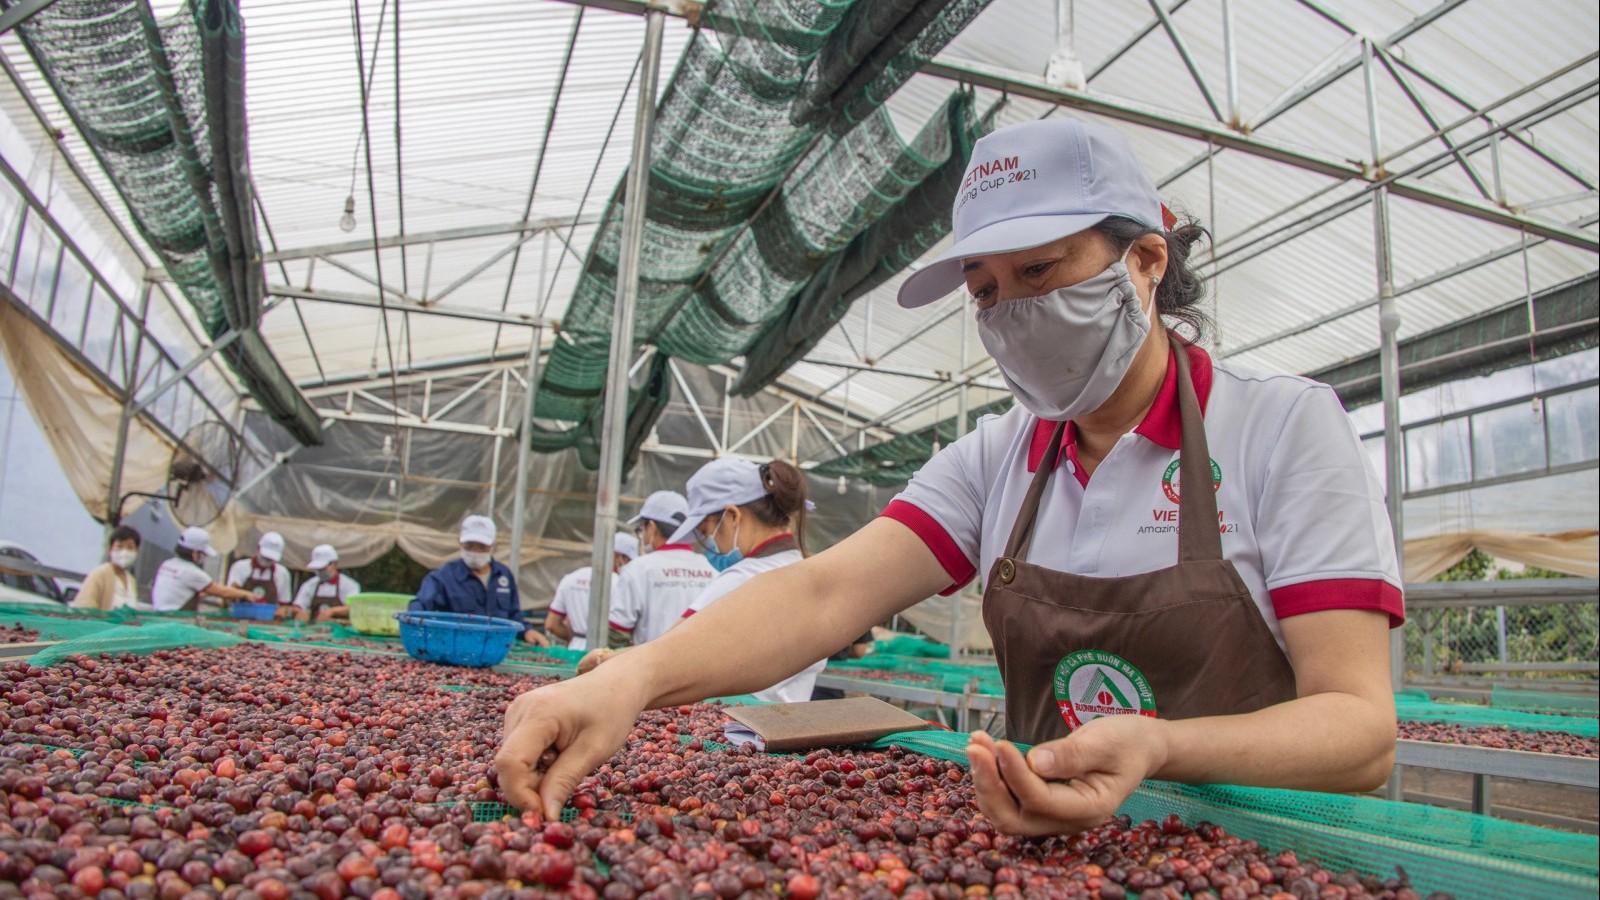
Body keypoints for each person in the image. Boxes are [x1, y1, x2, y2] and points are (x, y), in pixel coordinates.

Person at [495, 117, 1403, 831]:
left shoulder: (1282, 428)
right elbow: (824, 594)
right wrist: (631, 679)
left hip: (1269, 855)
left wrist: (1161, 749)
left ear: (1146, 262)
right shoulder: (998, 456)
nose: (1013, 311)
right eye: (985, 289)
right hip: (1048, 849)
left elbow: (1360, 732)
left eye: (1039, 269)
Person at [579, 458, 825, 703]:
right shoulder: (809, 571)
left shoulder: (742, 580)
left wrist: (603, 659)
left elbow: (664, 655)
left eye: (706, 532)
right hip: (789, 718)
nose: (709, 544)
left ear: (733, 516)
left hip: (735, 721)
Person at [412, 515, 544, 643]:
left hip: (497, 648)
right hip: (456, 647)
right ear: (460, 542)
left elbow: (513, 615)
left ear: (494, 546)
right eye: (469, 546)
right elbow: (420, 606)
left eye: (482, 547)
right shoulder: (444, 576)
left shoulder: (503, 575)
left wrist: (527, 631)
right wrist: (413, 623)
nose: (475, 552)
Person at [608, 491, 716, 645]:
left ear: (652, 527)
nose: (642, 535)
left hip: (648, 659)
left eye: (641, 529)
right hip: (701, 659)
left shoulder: (638, 569)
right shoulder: (711, 568)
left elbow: (618, 633)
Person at [545, 533, 639, 650]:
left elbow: (551, 624)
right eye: (629, 560)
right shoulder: (620, 584)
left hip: (575, 649)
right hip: (606, 650)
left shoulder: (570, 579)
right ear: (619, 557)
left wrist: (573, 637)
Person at [150, 526, 256, 612]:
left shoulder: (168, 564)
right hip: (176, 618)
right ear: (194, 553)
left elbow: (180, 592)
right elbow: (223, 592)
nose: (204, 557)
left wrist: (208, 592)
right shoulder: (192, 572)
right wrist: (246, 594)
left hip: (159, 614)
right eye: (203, 554)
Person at [73, 525, 143, 611]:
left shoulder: (131, 581)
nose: (124, 551)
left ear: (137, 551)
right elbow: (84, 605)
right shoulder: (100, 574)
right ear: (110, 549)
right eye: (119, 546)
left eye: (130, 547)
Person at [225, 532, 292, 616]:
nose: (267, 560)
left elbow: (284, 604)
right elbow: (228, 596)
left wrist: (281, 612)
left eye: (270, 559)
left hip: (268, 620)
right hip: (240, 616)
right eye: (265, 557)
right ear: (258, 547)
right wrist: (239, 593)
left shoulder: (282, 573)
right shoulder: (240, 567)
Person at [292, 544, 360, 622]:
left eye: (323, 568)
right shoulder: (309, 585)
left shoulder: (350, 585)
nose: (320, 572)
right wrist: (300, 612)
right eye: (317, 569)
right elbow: (297, 605)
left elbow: (353, 608)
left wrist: (332, 611)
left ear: (335, 564)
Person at [811, 630, 875, 701]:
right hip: (832, 675)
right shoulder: (857, 622)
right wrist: (843, 653)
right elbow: (859, 651)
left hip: (809, 668)